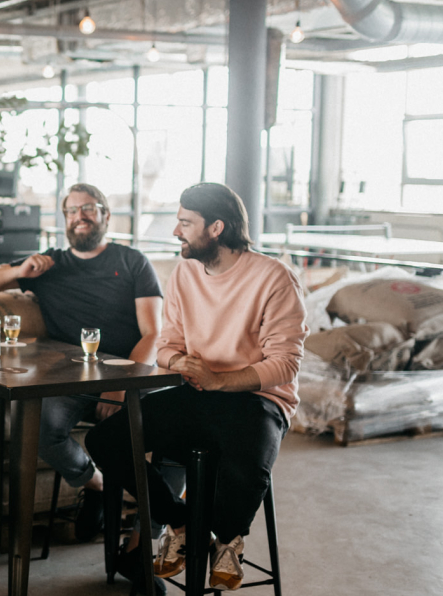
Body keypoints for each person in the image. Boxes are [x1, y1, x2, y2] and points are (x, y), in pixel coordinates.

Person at [87, 183, 306, 592]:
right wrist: (178, 362)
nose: (176, 231)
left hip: (258, 399)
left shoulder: (274, 277)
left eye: (186, 223)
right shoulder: (184, 273)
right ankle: (183, 523)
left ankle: (228, 540)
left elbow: (286, 364)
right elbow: (166, 345)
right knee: (106, 440)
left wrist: (220, 379)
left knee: (245, 456)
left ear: (216, 228)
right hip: (199, 393)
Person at [0, 183, 163, 541]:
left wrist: (121, 387)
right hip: (71, 382)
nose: (79, 216)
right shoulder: (50, 264)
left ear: (105, 214)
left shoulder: (132, 261)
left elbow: (152, 333)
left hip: (128, 377)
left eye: (88, 208)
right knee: (39, 430)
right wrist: (21, 270)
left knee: (158, 433)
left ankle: (149, 531)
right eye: (72, 211)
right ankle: (96, 484)